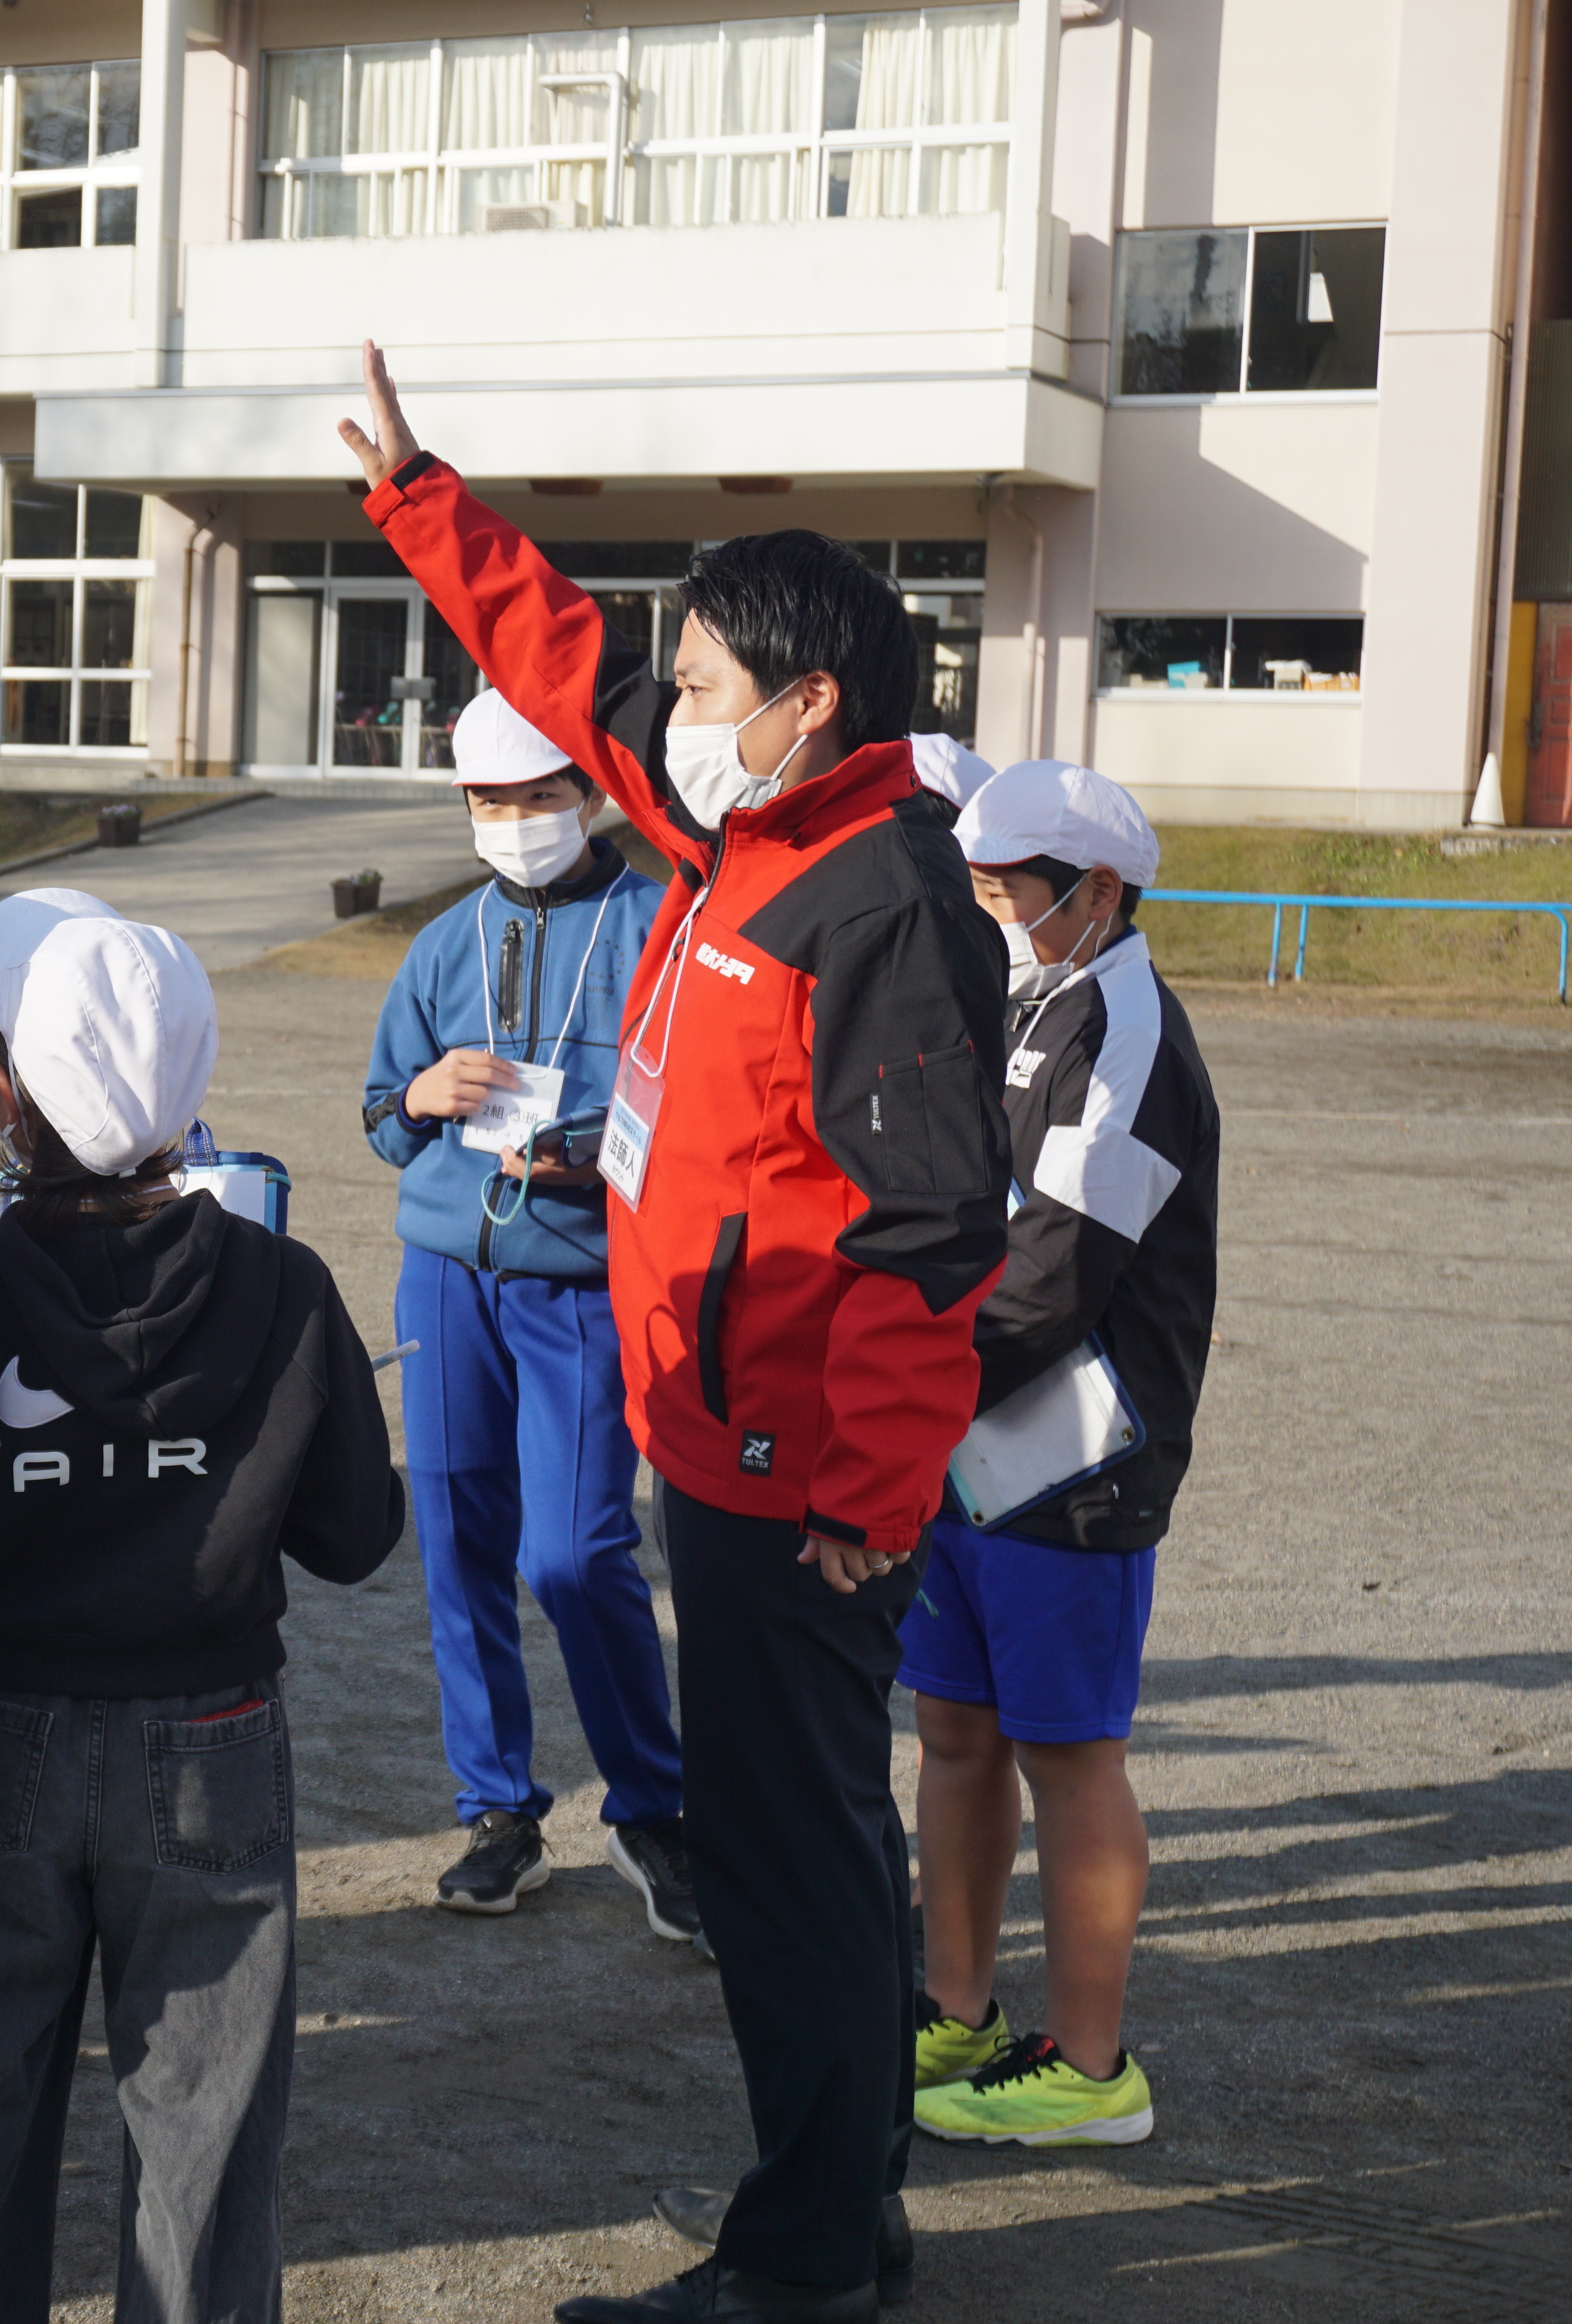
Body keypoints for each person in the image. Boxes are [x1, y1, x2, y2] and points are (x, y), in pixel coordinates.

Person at [341, 346, 1012, 2324]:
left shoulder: (878, 897)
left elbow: (925, 1237)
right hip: (720, 1449)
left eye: (708, 687)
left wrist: (872, 1506)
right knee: (793, 1849)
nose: (672, 717)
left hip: (801, 1492)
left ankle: (805, 2259)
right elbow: (569, 670)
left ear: (810, 706)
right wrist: (419, 495)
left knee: (792, 1870)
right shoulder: (748, 829)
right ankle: (841, 2204)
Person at [0, 909, 402, 2324]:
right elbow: (357, 1533)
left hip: (1, 1716)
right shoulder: (281, 1281)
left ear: (8, 1091)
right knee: (207, 2127)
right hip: (214, 1730)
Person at [903, 760, 1216, 2150]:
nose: (986, 908)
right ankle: (954, 2011)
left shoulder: (1132, 1026)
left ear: (1096, 892)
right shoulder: (1026, 988)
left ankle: (1094, 2068)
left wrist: (903, 1383)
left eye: (1003, 889)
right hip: (967, 1435)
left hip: (1074, 1451)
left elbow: (1058, 1272)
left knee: (1069, 1752)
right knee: (956, 1731)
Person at [363, 689, 692, 1936]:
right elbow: (382, 1118)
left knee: (573, 1551)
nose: (514, 822)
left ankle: (653, 1805)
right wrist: (429, 1093)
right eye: (489, 802)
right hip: (446, 1275)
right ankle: (498, 1809)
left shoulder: (659, 923)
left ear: (594, 793)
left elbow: (698, 1126)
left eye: (539, 797)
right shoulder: (444, 940)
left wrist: (595, 1157)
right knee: (454, 1537)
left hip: (588, 1282)